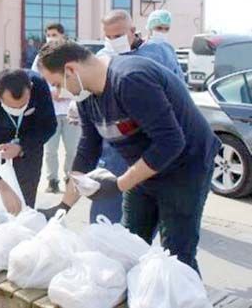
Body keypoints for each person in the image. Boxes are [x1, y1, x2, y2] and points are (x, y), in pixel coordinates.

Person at [37, 40, 220, 273]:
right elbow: (88, 146)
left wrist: (119, 184)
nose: (57, 92)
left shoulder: (130, 80)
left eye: (56, 83)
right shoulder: (86, 96)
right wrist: (63, 207)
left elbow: (171, 142)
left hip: (185, 167)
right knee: (129, 244)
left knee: (176, 255)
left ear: (71, 70)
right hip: (144, 166)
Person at [90, 9, 186, 223]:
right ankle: (102, 245)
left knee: (145, 211)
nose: (114, 41)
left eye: (119, 35)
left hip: (153, 138)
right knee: (106, 207)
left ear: (133, 31)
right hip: (117, 142)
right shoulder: (102, 58)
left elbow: (179, 91)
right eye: (110, 36)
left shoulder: (158, 52)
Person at [0, 69, 57, 211]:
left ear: (31, 88)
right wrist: (2, 188)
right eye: (12, 107)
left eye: (23, 105)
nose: (18, 109)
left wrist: (22, 146)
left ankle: (24, 223)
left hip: (30, 142)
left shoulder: (39, 86)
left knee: (26, 200)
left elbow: (49, 126)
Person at [31, 23, 81, 194]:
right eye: (48, 34)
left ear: (62, 36)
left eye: (54, 34)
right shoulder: (40, 58)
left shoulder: (70, 57)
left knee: (72, 149)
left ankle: (70, 178)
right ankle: (52, 180)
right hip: (50, 113)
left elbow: (80, 82)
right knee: (50, 150)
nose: (51, 38)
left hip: (70, 113)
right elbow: (35, 81)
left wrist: (65, 93)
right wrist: (49, 94)